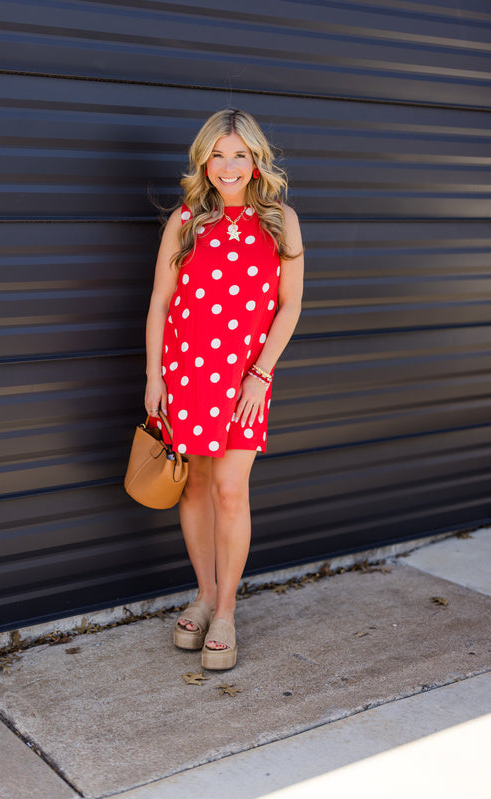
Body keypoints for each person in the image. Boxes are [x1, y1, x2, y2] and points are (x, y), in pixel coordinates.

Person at [144, 108, 304, 669]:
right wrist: (154, 376)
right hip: (185, 373)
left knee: (231, 490)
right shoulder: (185, 221)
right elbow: (161, 304)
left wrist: (261, 374)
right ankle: (205, 593)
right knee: (195, 488)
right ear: (203, 160)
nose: (228, 166)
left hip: (244, 380)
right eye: (218, 154)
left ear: (256, 159)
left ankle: (229, 611)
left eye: (239, 154)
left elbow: (290, 306)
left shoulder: (281, 220)